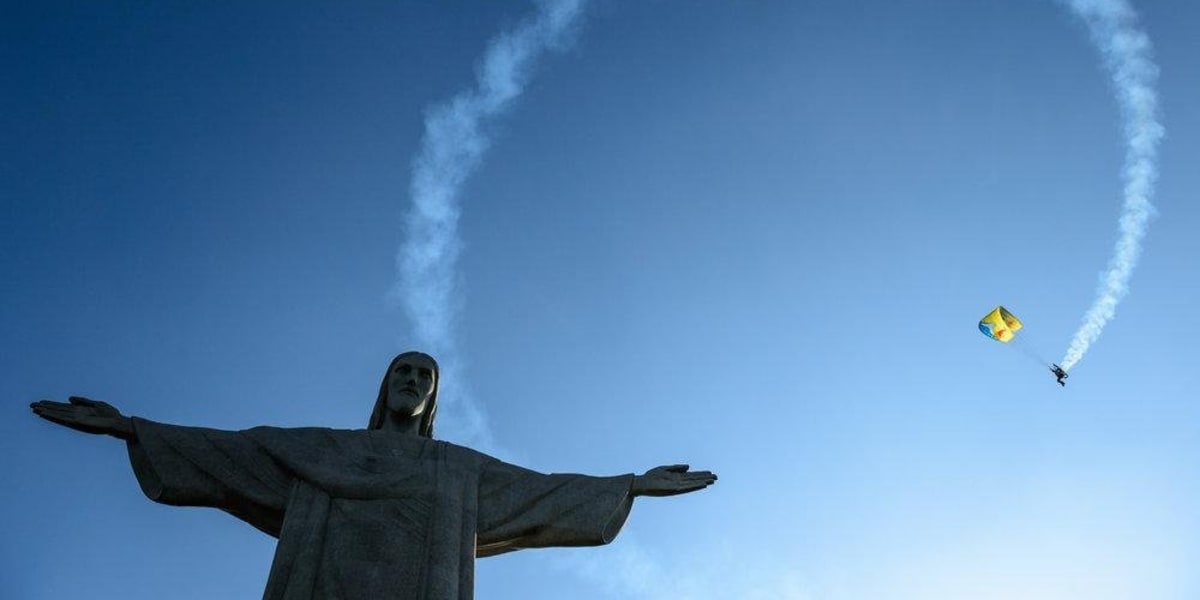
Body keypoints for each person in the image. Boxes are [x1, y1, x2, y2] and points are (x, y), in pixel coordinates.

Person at [30, 351, 716, 600]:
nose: (411, 380)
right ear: (385, 384)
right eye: (402, 371)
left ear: (432, 398)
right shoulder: (321, 448)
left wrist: (628, 485)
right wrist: (132, 428)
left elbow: (537, 490)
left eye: (423, 375)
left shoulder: (455, 468)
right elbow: (234, 452)